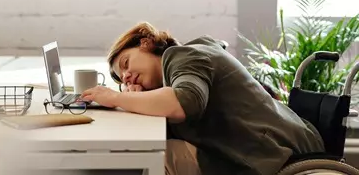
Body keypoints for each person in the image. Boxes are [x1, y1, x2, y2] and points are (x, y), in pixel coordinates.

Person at [80, 22, 325, 175]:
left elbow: (184, 102)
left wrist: (115, 98)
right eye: (121, 79)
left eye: (125, 63)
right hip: (262, 147)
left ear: (145, 43)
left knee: (148, 157)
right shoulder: (177, 70)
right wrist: (138, 101)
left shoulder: (183, 56)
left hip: (271, 154)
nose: (127, 76)